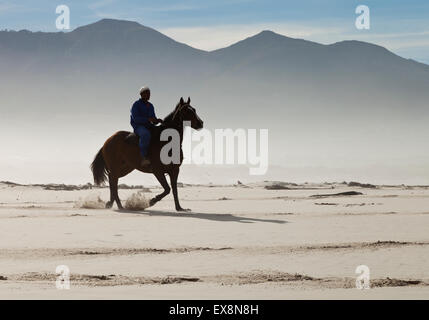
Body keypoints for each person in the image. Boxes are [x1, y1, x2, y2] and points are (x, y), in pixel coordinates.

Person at [130, 86, 163, 166]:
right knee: (145, 134)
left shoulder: (150, 106)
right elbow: (136, 118)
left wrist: (157, 120)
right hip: (138, 126)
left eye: (149, 93)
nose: (149, 95)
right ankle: (143, 157)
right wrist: (148, 120)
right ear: (141, 94)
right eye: (147, 93)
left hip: (149, 126)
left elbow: (153, 118)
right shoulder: (136, 105)